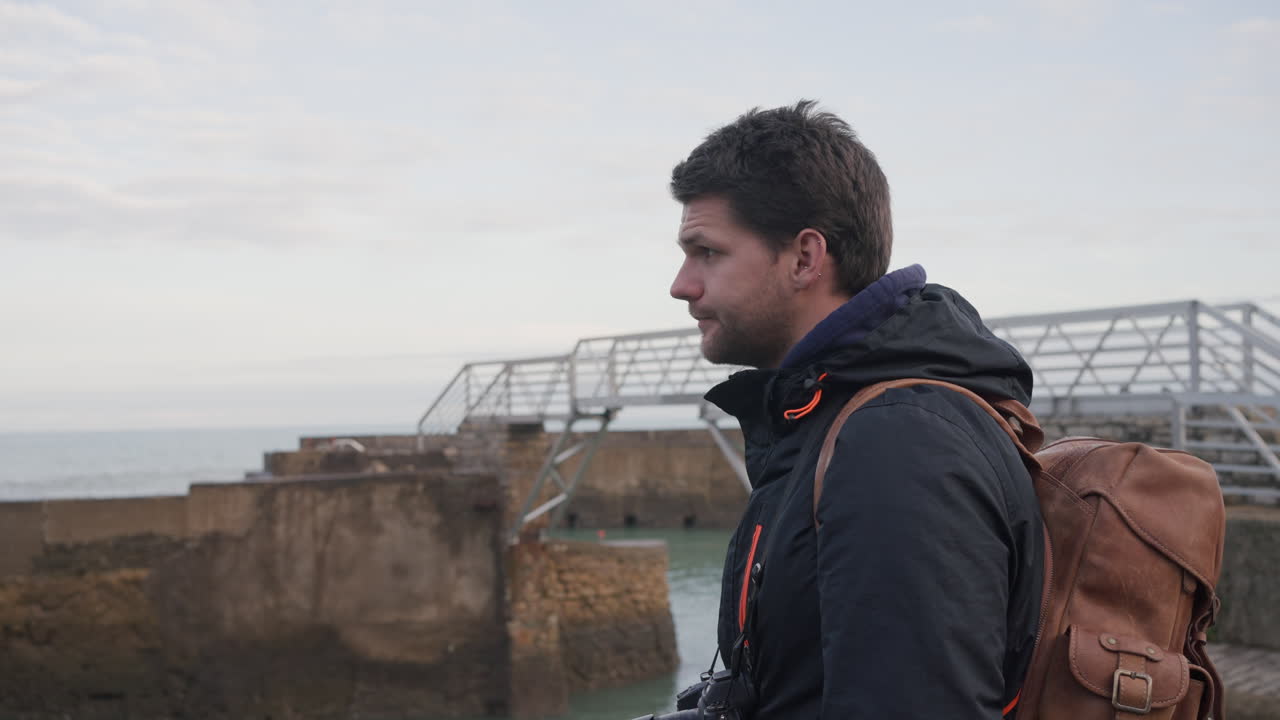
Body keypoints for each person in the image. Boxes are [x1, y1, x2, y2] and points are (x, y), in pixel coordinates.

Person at [667, 101, 1044, 718]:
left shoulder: (897, 446)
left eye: (706, 251)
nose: (681, 284)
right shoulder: (828, 417)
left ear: (806, 258)